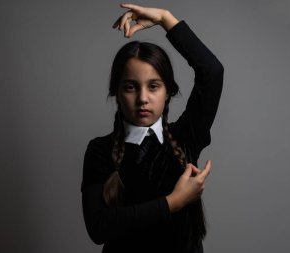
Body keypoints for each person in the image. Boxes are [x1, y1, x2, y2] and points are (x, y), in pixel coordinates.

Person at [81, 3, 224, 253]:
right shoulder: (100, 150)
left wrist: (164, 18)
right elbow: (98, 227)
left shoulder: (186, 136)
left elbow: (212, 72)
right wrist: (173, 202)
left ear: (168, 92)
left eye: (154, 86)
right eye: (130, 87)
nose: (143, 98)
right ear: (116, 92)